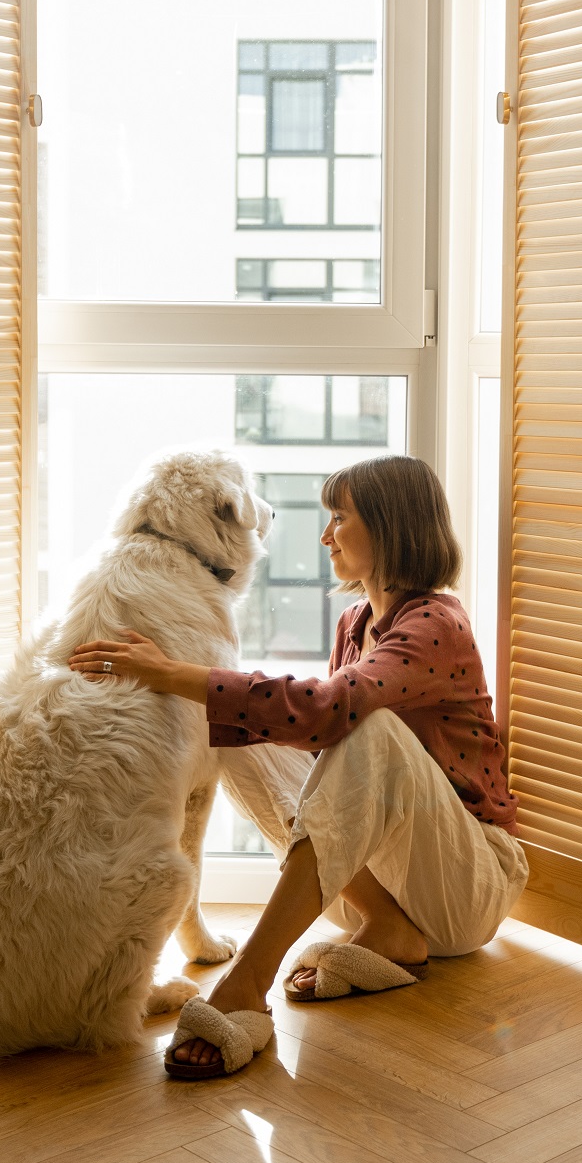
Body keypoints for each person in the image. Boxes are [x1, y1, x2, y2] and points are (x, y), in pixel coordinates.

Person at [68, 452, 525, 1079]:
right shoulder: (355, 621)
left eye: (340, 518)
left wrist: (172, 672)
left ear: (391, 528)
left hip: (467, 884)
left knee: (369, 727)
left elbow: (334, 710)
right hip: (378, 889)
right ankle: (387, 928)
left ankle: (246, 984)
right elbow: (316, 747)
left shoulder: (436, 624)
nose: (325, 534)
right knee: (238, 730)